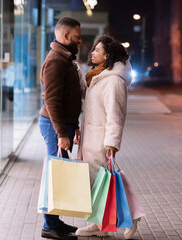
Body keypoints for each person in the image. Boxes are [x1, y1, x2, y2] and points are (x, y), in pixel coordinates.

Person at [74, 36, 138, 239]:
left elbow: (115, 114)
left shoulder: (113, 81)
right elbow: (89, 98)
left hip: (101, 141)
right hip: (90, 138)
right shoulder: (98, 76)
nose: (92, 52)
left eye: (97, 49)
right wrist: (76, 73)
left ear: (107, 55)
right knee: (95, 184)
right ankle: (97, 225)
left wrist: (112, 142)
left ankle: (133, 217)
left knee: (107, 183)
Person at [39, 17, 86, 240]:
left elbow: (69, 98)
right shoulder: (56, 60)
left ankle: (55, 222)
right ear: (66, 36)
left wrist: (73, 126)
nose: (79, 43)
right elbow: (52, 100)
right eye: (77, 39)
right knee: (55, 175)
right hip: (53, 125)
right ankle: (50, 226)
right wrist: (61, 133)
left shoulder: (64, 58)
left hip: (62, 124)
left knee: (59, 173)